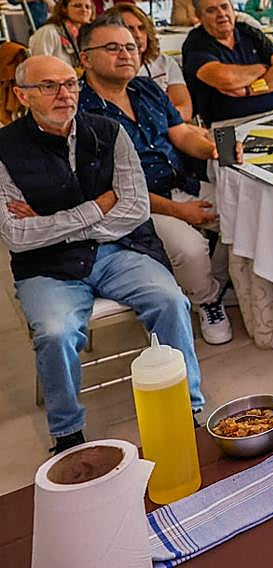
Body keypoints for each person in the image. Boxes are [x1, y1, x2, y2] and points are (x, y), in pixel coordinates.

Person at [0, 54, 203, 452]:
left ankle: (188, 406)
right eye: (49, 87)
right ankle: (67, 434)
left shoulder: (109, 132)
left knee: (170, 301)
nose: (64, 94)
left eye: (70, 84)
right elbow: (17, 235)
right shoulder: (5, 149)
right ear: (23, 95)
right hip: (47, 268)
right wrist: (96, 207)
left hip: (118, 250)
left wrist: (52, 221)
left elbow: (135, 208)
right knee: (56, 332)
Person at [77, 16, 231, 345]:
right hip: (137, 206)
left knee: (245, 213)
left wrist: (210, 149)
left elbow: (180, 134)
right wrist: (181, 212)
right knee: (190, 249)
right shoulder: (81, 113)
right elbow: (112, 190)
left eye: (131, 47)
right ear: (85, 58)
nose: (126, 54)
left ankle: (210, 284)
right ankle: (207, 300)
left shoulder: (145, 88)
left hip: (182, 183)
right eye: (113, 47)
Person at [182, 0, 273, 124]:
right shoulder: (196, 43)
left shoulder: (249, 32)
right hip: (230, 126)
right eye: (211, 10)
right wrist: (262, 69)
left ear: (233, 10)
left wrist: (249, 90)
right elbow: (226, 79)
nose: (221, 14)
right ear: (199, 17)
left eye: (224, 7)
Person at [114, 3, 192, 121]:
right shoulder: (110, 69)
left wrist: (152, 120)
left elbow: (185, 110)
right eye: (129, 29)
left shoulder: (165, 63)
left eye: (141, 28)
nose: (138, 35)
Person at [29, 0, 93, 70]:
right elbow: (39, 66)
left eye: (88, 7)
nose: (84, 10)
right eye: (78, 6)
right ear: (64, 8)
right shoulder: (48, 32)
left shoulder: (89, 35)